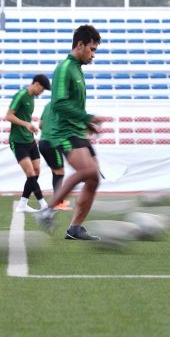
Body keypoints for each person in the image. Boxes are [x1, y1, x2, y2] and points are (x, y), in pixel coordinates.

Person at [33, 25, 105, 240]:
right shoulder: (65, 68)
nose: (93, 55)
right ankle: (47, 210)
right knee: (86, 171)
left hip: (77, 130)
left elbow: (72, 106)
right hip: (63, 131)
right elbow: (59, 104)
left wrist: (86, 124)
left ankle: (75, 228)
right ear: (80, 45)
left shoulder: (77, 70)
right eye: (91, 49)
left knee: (93, 177)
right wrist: (87, 117)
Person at [6, 74, 51, 212]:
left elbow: (25, 118)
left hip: (30, 140)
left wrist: (30, 126)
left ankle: (22, 204)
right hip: (18, 141)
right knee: (30, 172)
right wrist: (26, 124)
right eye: (42, 90)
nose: (41, 93)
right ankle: (43, 204)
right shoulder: (21, 95)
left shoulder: (32, 99)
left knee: (36, 171)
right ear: (36, 84)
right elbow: (8, 116)